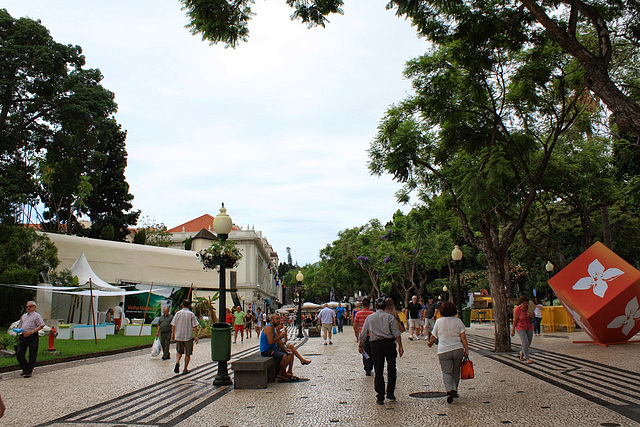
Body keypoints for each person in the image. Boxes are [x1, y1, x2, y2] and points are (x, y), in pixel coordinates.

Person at [358, 297, 404, 405]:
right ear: (385, 307)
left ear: (375, 307)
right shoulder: (390, 317)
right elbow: (396, 333)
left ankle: (380, 396)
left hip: (375, 344)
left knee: (378, 370)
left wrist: (361, 345)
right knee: (392, 368)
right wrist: (400, 346)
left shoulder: (370, 318)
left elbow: (364, 333)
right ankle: (390, 393)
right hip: (389, 343)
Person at [427, 301, 469, 404]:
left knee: (446, 371)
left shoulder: (439, 321)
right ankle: (455, 389)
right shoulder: (458, 321)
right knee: (456, 371)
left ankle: (449, 389)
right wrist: (466, 349)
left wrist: (430, 343)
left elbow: (433, 336)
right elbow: (463, 336)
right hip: (457, 349)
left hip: (443, 350)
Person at [260, 313, 296, 381]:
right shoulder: (269, 328)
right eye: (277, 319)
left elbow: (278, 343)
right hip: (267, 350)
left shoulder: (273, 328)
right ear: (271, 320)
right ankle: (283, 373)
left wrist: (285, 349)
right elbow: (271, 342)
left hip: (273, 348)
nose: (279, 321)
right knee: (284, 356)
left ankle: (282, 373)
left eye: (279, 319)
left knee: (290, 354)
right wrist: (280, 336)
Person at [16, 301, 45, 378]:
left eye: (30, 306)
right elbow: (20, 324)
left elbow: (41, 325)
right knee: (19, 353)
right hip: (23, 335)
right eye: (27, 306)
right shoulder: (24, 316)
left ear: (34, 307)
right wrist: (18, 329)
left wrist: (32, 332)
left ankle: (29, 371)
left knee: (32, 353)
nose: (28, 308)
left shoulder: (36, 316)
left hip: (32, 336)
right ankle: (25, 367)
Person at [171, 300, 199, 374]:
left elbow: (173, 324)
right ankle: (185, 369)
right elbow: (195, 326)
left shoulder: (178, 314)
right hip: (188, 336)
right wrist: (196, 336)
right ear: (189, 306)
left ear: (182, 305)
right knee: (188, 353)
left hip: (179, 336)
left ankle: (177, 362)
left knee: (179, 351)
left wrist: (173, 334)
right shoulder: (191, 314)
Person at [352, 297, 374, 376]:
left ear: (362, 305)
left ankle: (367, 369)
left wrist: (356, 333)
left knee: (365, 353)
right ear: (369, 305)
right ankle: (372, 366)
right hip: (372, 335)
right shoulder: (372, 314)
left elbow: (355, 325)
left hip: (363, 336)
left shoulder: (358, 314)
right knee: (373, 352)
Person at [512, 295, 534, 364]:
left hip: (529, 326)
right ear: (521, 303)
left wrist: (531, 315)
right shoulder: (517, 310)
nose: (525, 305)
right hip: (520, 327)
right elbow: (515, 320)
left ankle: (522, 352)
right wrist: (513, 330)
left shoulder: (529, 308)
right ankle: (527, 358)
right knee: (525, 341)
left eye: (526, 303)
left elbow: (534, 315)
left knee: (529, 342)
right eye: (524, 303)